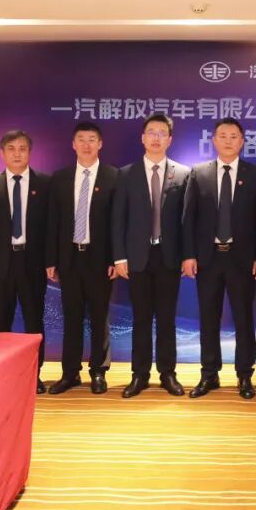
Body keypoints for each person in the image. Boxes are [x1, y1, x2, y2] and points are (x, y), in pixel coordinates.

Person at [181, 117, 256, 399]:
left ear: (242, 141)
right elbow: (188, 218)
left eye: (234, 136)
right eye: (223, 136)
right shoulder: (199, 173)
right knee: (209, 318)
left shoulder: (255, 174)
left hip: (242, 260)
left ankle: (245, 375)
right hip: (208, 259)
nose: (228, 141)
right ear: (214, 140)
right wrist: (188, 255)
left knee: (244, 319)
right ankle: (209, 374)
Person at [111, 114, 191, 397]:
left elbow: (187, 221)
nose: (156, 138)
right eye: (151, 132)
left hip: (169, 257)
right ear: (142, 138)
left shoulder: (183, 174)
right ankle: (140, 374)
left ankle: (168, 373)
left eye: (162, 133)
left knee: (167, 319)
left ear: (170, 139)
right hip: (137, 257)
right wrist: (119, 257)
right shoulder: (125, 174)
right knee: (141, 318)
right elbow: (117, 219)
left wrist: (187, 256)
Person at [0, 130, 51, 393]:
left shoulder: (44, 183)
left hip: (32, 263)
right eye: (11, 148)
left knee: (34, 323)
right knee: (0, 322)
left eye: (22, 148)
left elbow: (51, 228)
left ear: (30, 152)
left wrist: (51, 261)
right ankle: (2, 375)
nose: (17, 154)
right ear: (2, 153)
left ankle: (33, 375)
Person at [45, 122, 119, 395]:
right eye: (81, 139)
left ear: (100, 144)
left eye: (92, 139)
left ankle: (98, 371)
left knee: (100, 316)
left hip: (100, 260)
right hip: (69, 258)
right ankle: (70, 373)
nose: (86, 144)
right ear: (73, 144)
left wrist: (116, 258)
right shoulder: (60, 178)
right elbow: (53, 221)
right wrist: (51, 259)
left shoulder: (113, 176)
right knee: (72, 316)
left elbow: (117, 222)